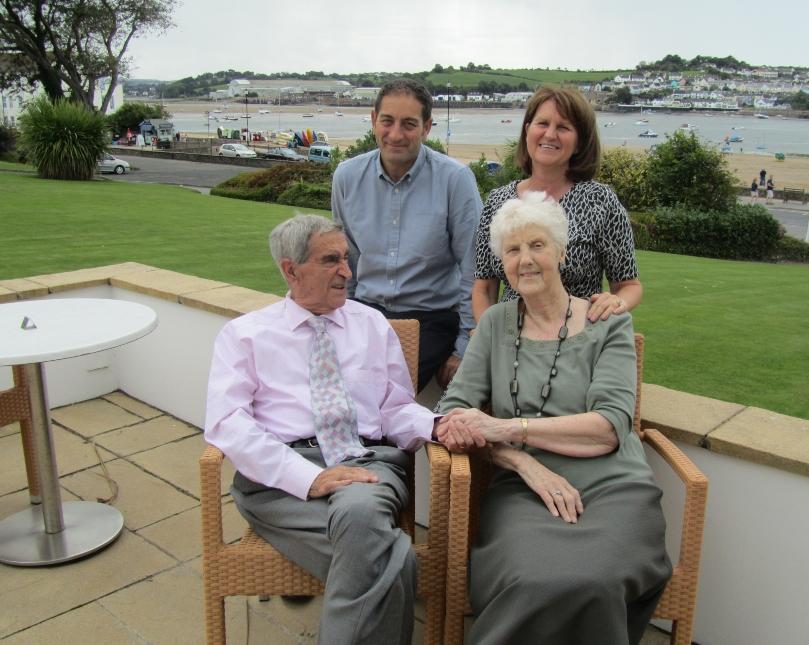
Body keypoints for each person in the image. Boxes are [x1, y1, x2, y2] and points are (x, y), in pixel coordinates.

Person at [436, 192, 672, 645]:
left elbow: (608, 427)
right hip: (523, 491)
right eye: (512, 250)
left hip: (614, 486)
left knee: (596, 582)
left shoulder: (608, 323)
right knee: (532, 581)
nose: (525, 260)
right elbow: (452, 413)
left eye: (537, 246)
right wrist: (523, 462)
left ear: (562, 253)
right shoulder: (495, 324)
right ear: (502, 261)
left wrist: (509, 428)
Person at [204, 215, 442, 645]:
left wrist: (439, 424)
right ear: (290, 270)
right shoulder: (245, 335)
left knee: (360, 513)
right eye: (331, 260)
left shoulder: (371, 324)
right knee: (393, 557)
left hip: (365, 463)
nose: (347, 272)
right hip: (279, 478)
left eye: (347, 259)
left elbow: (396, 409)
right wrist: (308, 478)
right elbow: (226, 423)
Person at [332, 79, 483, 391]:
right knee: (320, 381)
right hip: (366, 313)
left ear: (427, 127)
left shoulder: (455, 180)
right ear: (374, 120)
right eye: (387, 121)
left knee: (381, 392)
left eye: (409, 124)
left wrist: (464, 348)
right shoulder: (346, 177)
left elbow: (474, 269)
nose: (396, 134)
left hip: (429, 320)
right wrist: (338, 323)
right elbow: (346, 261)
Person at [471, 86, 642, 326]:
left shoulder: (601, 201)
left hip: (576, 338)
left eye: (563, 127)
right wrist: (487, 336)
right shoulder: (498, 201)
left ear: (580, 142)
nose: (550, 135)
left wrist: (615, 302)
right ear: (528, 130)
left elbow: (628, 285)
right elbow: (484, 286)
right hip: (509, 338)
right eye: (542, 123)